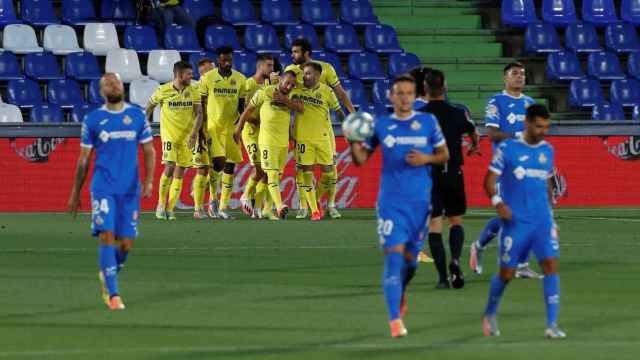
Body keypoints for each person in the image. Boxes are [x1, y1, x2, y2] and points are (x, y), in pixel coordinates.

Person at [349, 75, 449, 338]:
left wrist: (426, 157)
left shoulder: (428, 122)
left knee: (410, 264)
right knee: (394, 258)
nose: (404, 97)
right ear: (391, 97)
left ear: (415, 96)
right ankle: (395, 321)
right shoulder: (382, 125)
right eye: (399, 93)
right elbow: (360, 159)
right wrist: (351, 138)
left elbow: (444, 155)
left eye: (409, 93)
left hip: (420, 205)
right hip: (391, 205)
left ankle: (400, 290)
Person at [67, 73, 156, 310]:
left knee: (126, 243)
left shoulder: (136, 115)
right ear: (101, 92)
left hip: (129, 190)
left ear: (122, 86)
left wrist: (148, 182)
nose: (113, 85)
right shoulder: (93, 119)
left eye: (115, 82)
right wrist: (76, 193)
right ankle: (114, 295)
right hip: (103, 188)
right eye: (107, 84)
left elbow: (149, 151)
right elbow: (83, 160)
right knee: (107, 235)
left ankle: (108, 271)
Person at [481, 104, 565, 339]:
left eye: (546, 127)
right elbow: (488, 181)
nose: (543, 131)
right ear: (527, 123)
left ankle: (552, 324)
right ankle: (489, 313)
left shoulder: (547, 150)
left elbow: (548, 181)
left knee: (550, 265)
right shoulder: (508, 149)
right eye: (539, 126)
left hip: (542, 222)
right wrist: (499, 203)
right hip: (516, 222)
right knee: (506, 274)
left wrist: (551, 214)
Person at [470, 62, 542, 279]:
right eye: (514, 74)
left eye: (522, 74)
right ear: (505, 78)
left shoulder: (530, 103)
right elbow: (491, 134)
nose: (520, 77)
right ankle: (479, 245)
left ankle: (521, 266)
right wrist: (518, 136)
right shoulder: (496, 102)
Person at [416, 69, 480, 289]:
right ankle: (455, 259)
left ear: (425, 89)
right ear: (444, 87)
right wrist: (474, 147)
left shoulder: (421, 115)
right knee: (455, 220)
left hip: (430, 174)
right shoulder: (457, 113)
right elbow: (473, 132)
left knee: (435, 224)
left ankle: (443, 278)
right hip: (453, 172)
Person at [284, 39, 355, 219]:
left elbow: (339, 93)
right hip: (302, 127)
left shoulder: (326, 69)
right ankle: (304, 206)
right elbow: (283, 94)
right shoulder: (290, 71)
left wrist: (352, 114)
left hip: (324, 129)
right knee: (302, 169)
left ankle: (329, 204)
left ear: (306, 53)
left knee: (331, 169)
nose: (292, 55)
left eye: (296, 52)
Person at [235, 71, 303, 219]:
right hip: (267, 141)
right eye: (287, 83)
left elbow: (300, 108)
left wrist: (284, 100)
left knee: (276, 176)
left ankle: (265, 208)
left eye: (292, 84)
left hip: (283, 142)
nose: (289, 86)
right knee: (271, 173)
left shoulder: (292, 95)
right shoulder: (265, 92)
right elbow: (248, 111)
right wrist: (238, 129)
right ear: (281, 80)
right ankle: (279, 206)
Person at [146, 61, 203, 220]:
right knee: (170, 167)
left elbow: (199, 113)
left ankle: (170, 209)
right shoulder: (163, 90)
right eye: (189, 74)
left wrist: (193, 134)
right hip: (170, 136)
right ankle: (160, 204)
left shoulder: (193, 91)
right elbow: (149, 107)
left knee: (180, 173)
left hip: (187, 138)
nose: (192, 77)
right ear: (179, 75)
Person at [291, 62, 346, 221]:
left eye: (308, 73)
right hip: (303, 139)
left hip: (323, 138)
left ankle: (313, 199)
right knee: (306, 173)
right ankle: (314, 210)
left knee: (329, 173)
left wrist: (348, 126)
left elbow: (339, 111)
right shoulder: (297, 88)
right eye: (304, 73)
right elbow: (281, 88)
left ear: (317, 75)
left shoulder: (327, 91)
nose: (304, 76)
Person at [200, 46, 247, 220]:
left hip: (231, 129)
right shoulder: (207, 78)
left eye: (229, 60)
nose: (227, 63)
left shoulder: (240, 79)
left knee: (230, 166)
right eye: (223, 60)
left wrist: (240, 128)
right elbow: (202, 105)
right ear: (218, 61)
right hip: (213, 128)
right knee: (218, 163)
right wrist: (201, 128)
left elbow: (242, 107)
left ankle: (222, 207)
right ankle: (212, 200)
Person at [238, 54, 280, 219]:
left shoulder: (271, 85)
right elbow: (241, 110)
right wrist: (255, 120)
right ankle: (246, 195)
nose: (272, 69)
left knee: (267, 171)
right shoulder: (249, 84)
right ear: (260, 66)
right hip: (250, 133)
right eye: (269, 65)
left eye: (273, 66)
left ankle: (257, 207)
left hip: (265, 134)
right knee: (261, 169)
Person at [190, 58, 216, 219]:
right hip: (202, 132)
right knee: (202, 169)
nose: (214, 71)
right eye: (210, 69)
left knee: (216, 169)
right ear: (203, 72)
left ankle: (212, 204)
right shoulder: (196, 88)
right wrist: (197, 132)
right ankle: (198, 209)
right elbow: (195, 113)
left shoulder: (217, 86)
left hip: (217, 133)